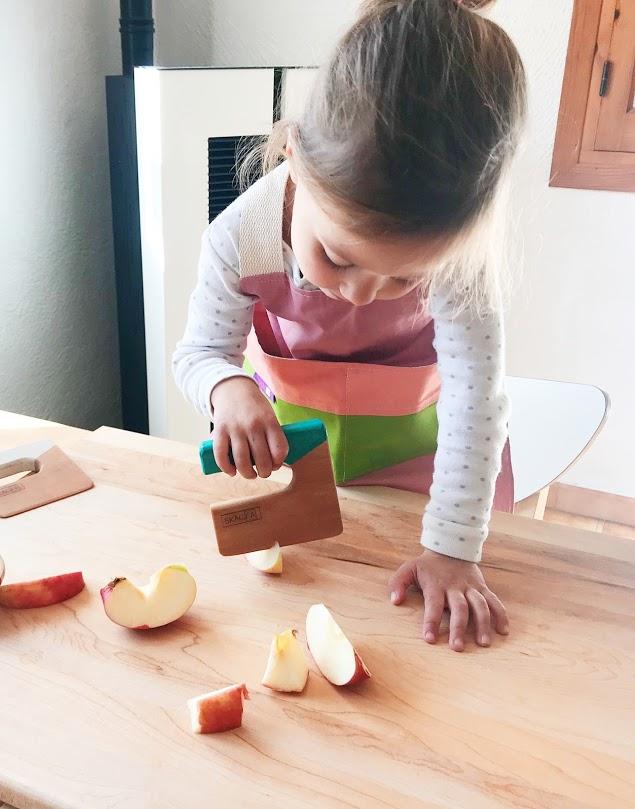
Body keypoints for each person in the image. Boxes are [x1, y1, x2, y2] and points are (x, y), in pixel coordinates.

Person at [173, 0, 527, 652]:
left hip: (426, 478)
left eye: (403, 278)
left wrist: (451, 546)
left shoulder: (458, 262)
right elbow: (197, 353)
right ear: (295, 154)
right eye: (336, 256)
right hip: (308, 472)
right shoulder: (237, 239)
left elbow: (476, 401)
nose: (363, 294)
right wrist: (226, 388)